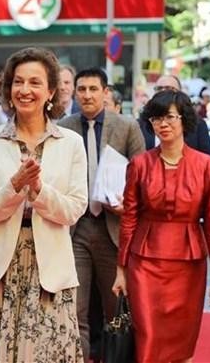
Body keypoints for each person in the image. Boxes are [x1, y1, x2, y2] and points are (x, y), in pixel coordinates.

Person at [0, 47, 87, 362]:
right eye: (18, 82)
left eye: (35, 83)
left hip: (51, 267)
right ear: (8, 89)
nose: (25, 90)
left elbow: (74, 209)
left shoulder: (71, 143)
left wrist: (38, 189)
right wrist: (15, 185)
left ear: (50, 91)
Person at [112, 89, 210, 363]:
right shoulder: (139, 164)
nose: (162, 124)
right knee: (148, 337)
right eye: (156, 118)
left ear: (184, 120)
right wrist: (121, 269)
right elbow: (129, 218)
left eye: (169, 117)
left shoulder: (205, 165)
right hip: (144, 262)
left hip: (189, 266)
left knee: (181, 342)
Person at [57, 67, 145, 359]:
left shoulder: (126, 126)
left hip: (113, 229)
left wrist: (127, 206)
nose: (87, 95)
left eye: (94, 89)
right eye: (81, 89)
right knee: (75, 311)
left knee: (115, 310)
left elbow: (142, 177)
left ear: (105, 92)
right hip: (76, 229)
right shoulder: (63, 127)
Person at [140, 75, 210, 156]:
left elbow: (207, 156)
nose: (163, 92)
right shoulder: (141, 124)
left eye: (169, 89)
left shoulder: (197, 124)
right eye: (159, 89)